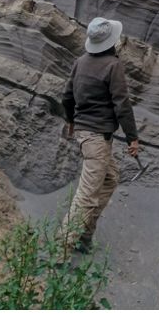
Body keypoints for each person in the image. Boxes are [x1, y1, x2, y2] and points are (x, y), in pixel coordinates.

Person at [61, 15, 140, 254]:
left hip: (87, 135)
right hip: (97, 139)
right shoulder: (112, 66)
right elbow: (122, 104)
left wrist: (72, 122)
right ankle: (60, 249)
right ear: (111, 42)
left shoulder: (80, 62)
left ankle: (84, 235)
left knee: (110, 179)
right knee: (87, 195)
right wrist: (132, 138)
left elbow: (67, 96)